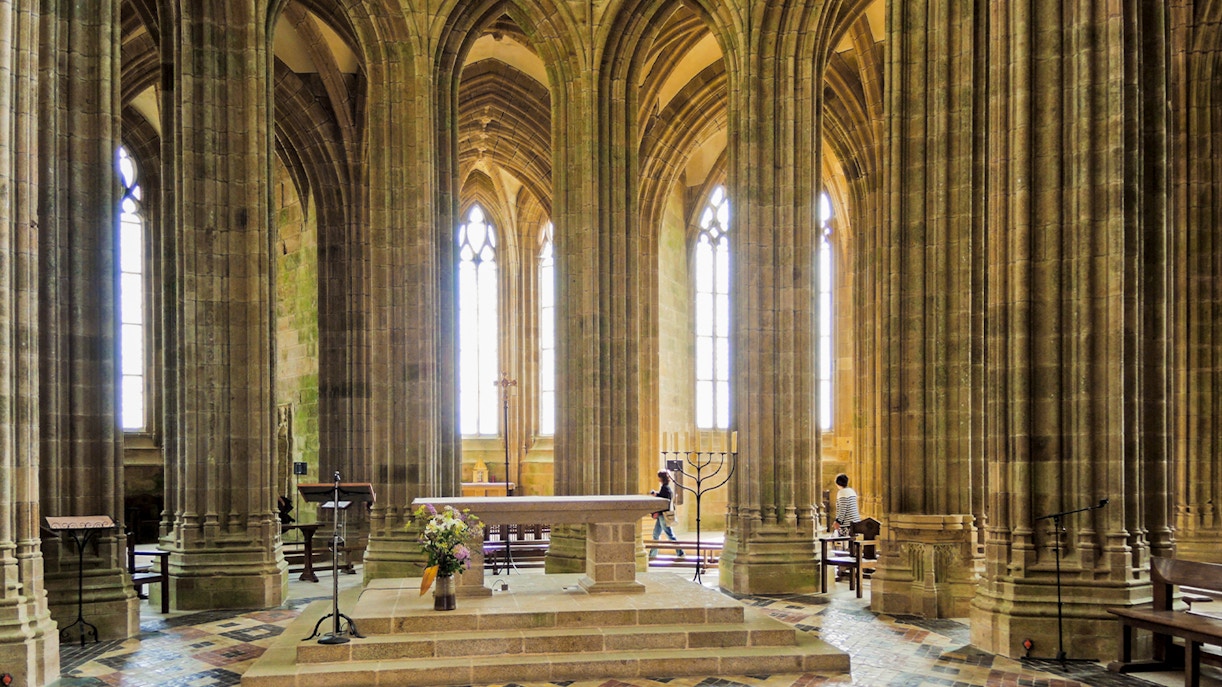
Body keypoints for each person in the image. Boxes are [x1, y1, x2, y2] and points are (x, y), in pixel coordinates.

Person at [648, 470, 685, 559]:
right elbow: (663, 498)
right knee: (656, 534)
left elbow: (664, 503)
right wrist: (657, 495)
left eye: (659, 477)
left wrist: (657, 512)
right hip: (661, 515)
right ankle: (652, 555)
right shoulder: (666, 488)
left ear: (661, 478)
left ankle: (680, 553)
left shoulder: (665, 488)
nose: (658, 479)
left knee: (669, 535)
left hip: (663, 515)